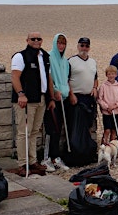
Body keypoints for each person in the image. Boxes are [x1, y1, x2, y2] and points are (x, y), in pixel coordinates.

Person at [11, 32, 50, 176]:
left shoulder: (45, 56)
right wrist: (21, 94)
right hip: (25, 101)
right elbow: (15, 76)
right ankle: (22, 163)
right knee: (23, 132)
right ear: (27, 40)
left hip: (41, 99)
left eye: (38, 38)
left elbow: (47, 78)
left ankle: (33, 161)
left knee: (34, 131)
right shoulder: (20, 56)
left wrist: (50, 98)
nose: (36, 41)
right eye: (33, 39)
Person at [41, 33, 70, 172]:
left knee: (58, 129)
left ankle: (55, 157)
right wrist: (54, 92)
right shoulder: (49, 57)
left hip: (62, 99)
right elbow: (48, 77)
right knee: (50, 127)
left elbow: (65, 78)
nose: (61, 45)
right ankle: (45, 158)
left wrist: (66, 91)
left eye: (63, 43)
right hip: (52, 98)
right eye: (58, 42)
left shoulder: (65, 61)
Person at [67, 37, 98, 160]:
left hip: (89, 98)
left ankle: (87, 153)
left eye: (86, 46)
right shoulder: (70, 61)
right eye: (82, 45)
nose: (84, 48)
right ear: (78, 46)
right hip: (76, 98)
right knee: (75, 127)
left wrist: (95, 88)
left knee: (89, 125)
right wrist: (71, 94)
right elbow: (66, 79)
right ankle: (75, 154)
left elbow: (95, 77)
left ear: (89, 47)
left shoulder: (93, 62)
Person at [97, 65, 118, 145]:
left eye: (113, 74)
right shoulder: (103, 86)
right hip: (107, 112)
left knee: (114, 130)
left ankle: (111, 148)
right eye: (109, 74)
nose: (111, 76)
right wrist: (107, 107)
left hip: (117, 112)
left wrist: (115, 106)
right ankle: (104, 145)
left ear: (116, 75)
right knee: (107, 130)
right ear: (106, 75)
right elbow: (100, 98)